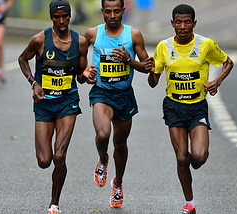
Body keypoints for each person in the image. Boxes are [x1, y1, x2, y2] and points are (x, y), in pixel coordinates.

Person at [145, 4, 234, 214]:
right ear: (172, 23)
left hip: (197, 107)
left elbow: (228, 62)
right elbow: (152, 82)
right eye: (178, 22)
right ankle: (190, 203)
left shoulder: (205, 45)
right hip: (174, 106)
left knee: (200, 156)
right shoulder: (163, 47)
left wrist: (217, 82)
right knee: (181, 157)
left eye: (187, 22)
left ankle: (194, 161)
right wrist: (151, 71)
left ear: (194, 23)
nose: (182, 26)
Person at [18, 0, 96, 213]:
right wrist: (33, 83)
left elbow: (80, 76)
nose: (61, 21)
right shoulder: (39, 40)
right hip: (44, 104)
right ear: (51, 17)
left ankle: (54, 203)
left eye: (65, 16)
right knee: (44, 161)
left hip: (67, 103)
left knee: (59, 155)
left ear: (70, 16)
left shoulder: (80, 43)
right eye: (56, 17)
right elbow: (22, 59)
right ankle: (53, 195)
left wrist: (85, 76)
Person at [83, 0, 149, 208]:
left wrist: (129, 61)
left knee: (120, 144)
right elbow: (77, 52)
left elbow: (148, 66)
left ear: (123, 11)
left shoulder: (134, 35)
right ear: (102, 12)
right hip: (101, 93)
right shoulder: (93, 33)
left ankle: (118, 183)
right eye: (108, 11)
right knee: (103, 135)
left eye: (117, 11)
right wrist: (85, 69)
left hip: (124, 95)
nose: (112, 15)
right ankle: (103, 159)